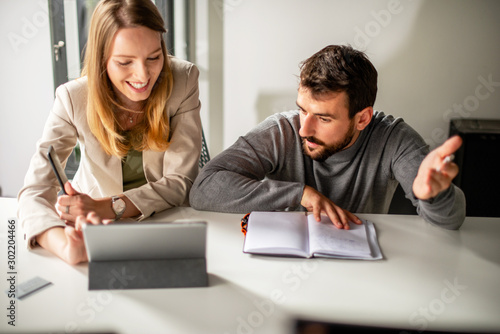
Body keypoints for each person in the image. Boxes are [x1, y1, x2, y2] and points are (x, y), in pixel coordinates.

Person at [190, 45, 465, 230]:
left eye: (323, 118)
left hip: (362, 271)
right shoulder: (281, 131)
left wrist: (436, 197)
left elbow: (450, 223)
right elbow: (204, 190)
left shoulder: (394, 139)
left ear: (362, 118)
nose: (304, 129)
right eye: (302, 109)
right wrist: (301, 194)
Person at [17, 0, 202, 264]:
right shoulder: (72, 98)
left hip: (165, 222)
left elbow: (180, 183)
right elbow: (34, 192)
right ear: (102, 59)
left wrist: (107, 206)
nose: (143, 75)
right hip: (97, 229)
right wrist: (65, 247)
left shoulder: (183, 79)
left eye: (154, 57)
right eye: (125, 62)